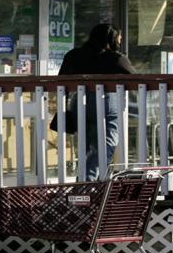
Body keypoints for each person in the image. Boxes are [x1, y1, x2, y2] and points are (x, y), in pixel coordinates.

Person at [57, 23, 135, 181]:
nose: (119, 41)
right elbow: (136, 78)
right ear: (111, 39)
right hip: (107, 102)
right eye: (118, 39)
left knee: (87, 148)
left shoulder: (74, 55)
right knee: (105, 147)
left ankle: (89, 188)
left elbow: (61, 80)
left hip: (79, 102)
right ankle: (86, 187)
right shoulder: (116, 58)